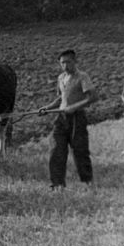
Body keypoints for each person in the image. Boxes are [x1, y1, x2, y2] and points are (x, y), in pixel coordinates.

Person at [38, 49, 97, 189]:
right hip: (61, 118)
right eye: (62, 63)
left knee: (80, 151)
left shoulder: (82, 77)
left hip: (77, 118)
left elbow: (93, 97)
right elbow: (62, 98)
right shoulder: (61, 78)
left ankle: (87, 182)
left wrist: (74, 107)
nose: (65, 65)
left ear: (75, 61)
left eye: (68, 62)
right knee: (56, 149)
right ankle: (57, 184)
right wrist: (47, 107)